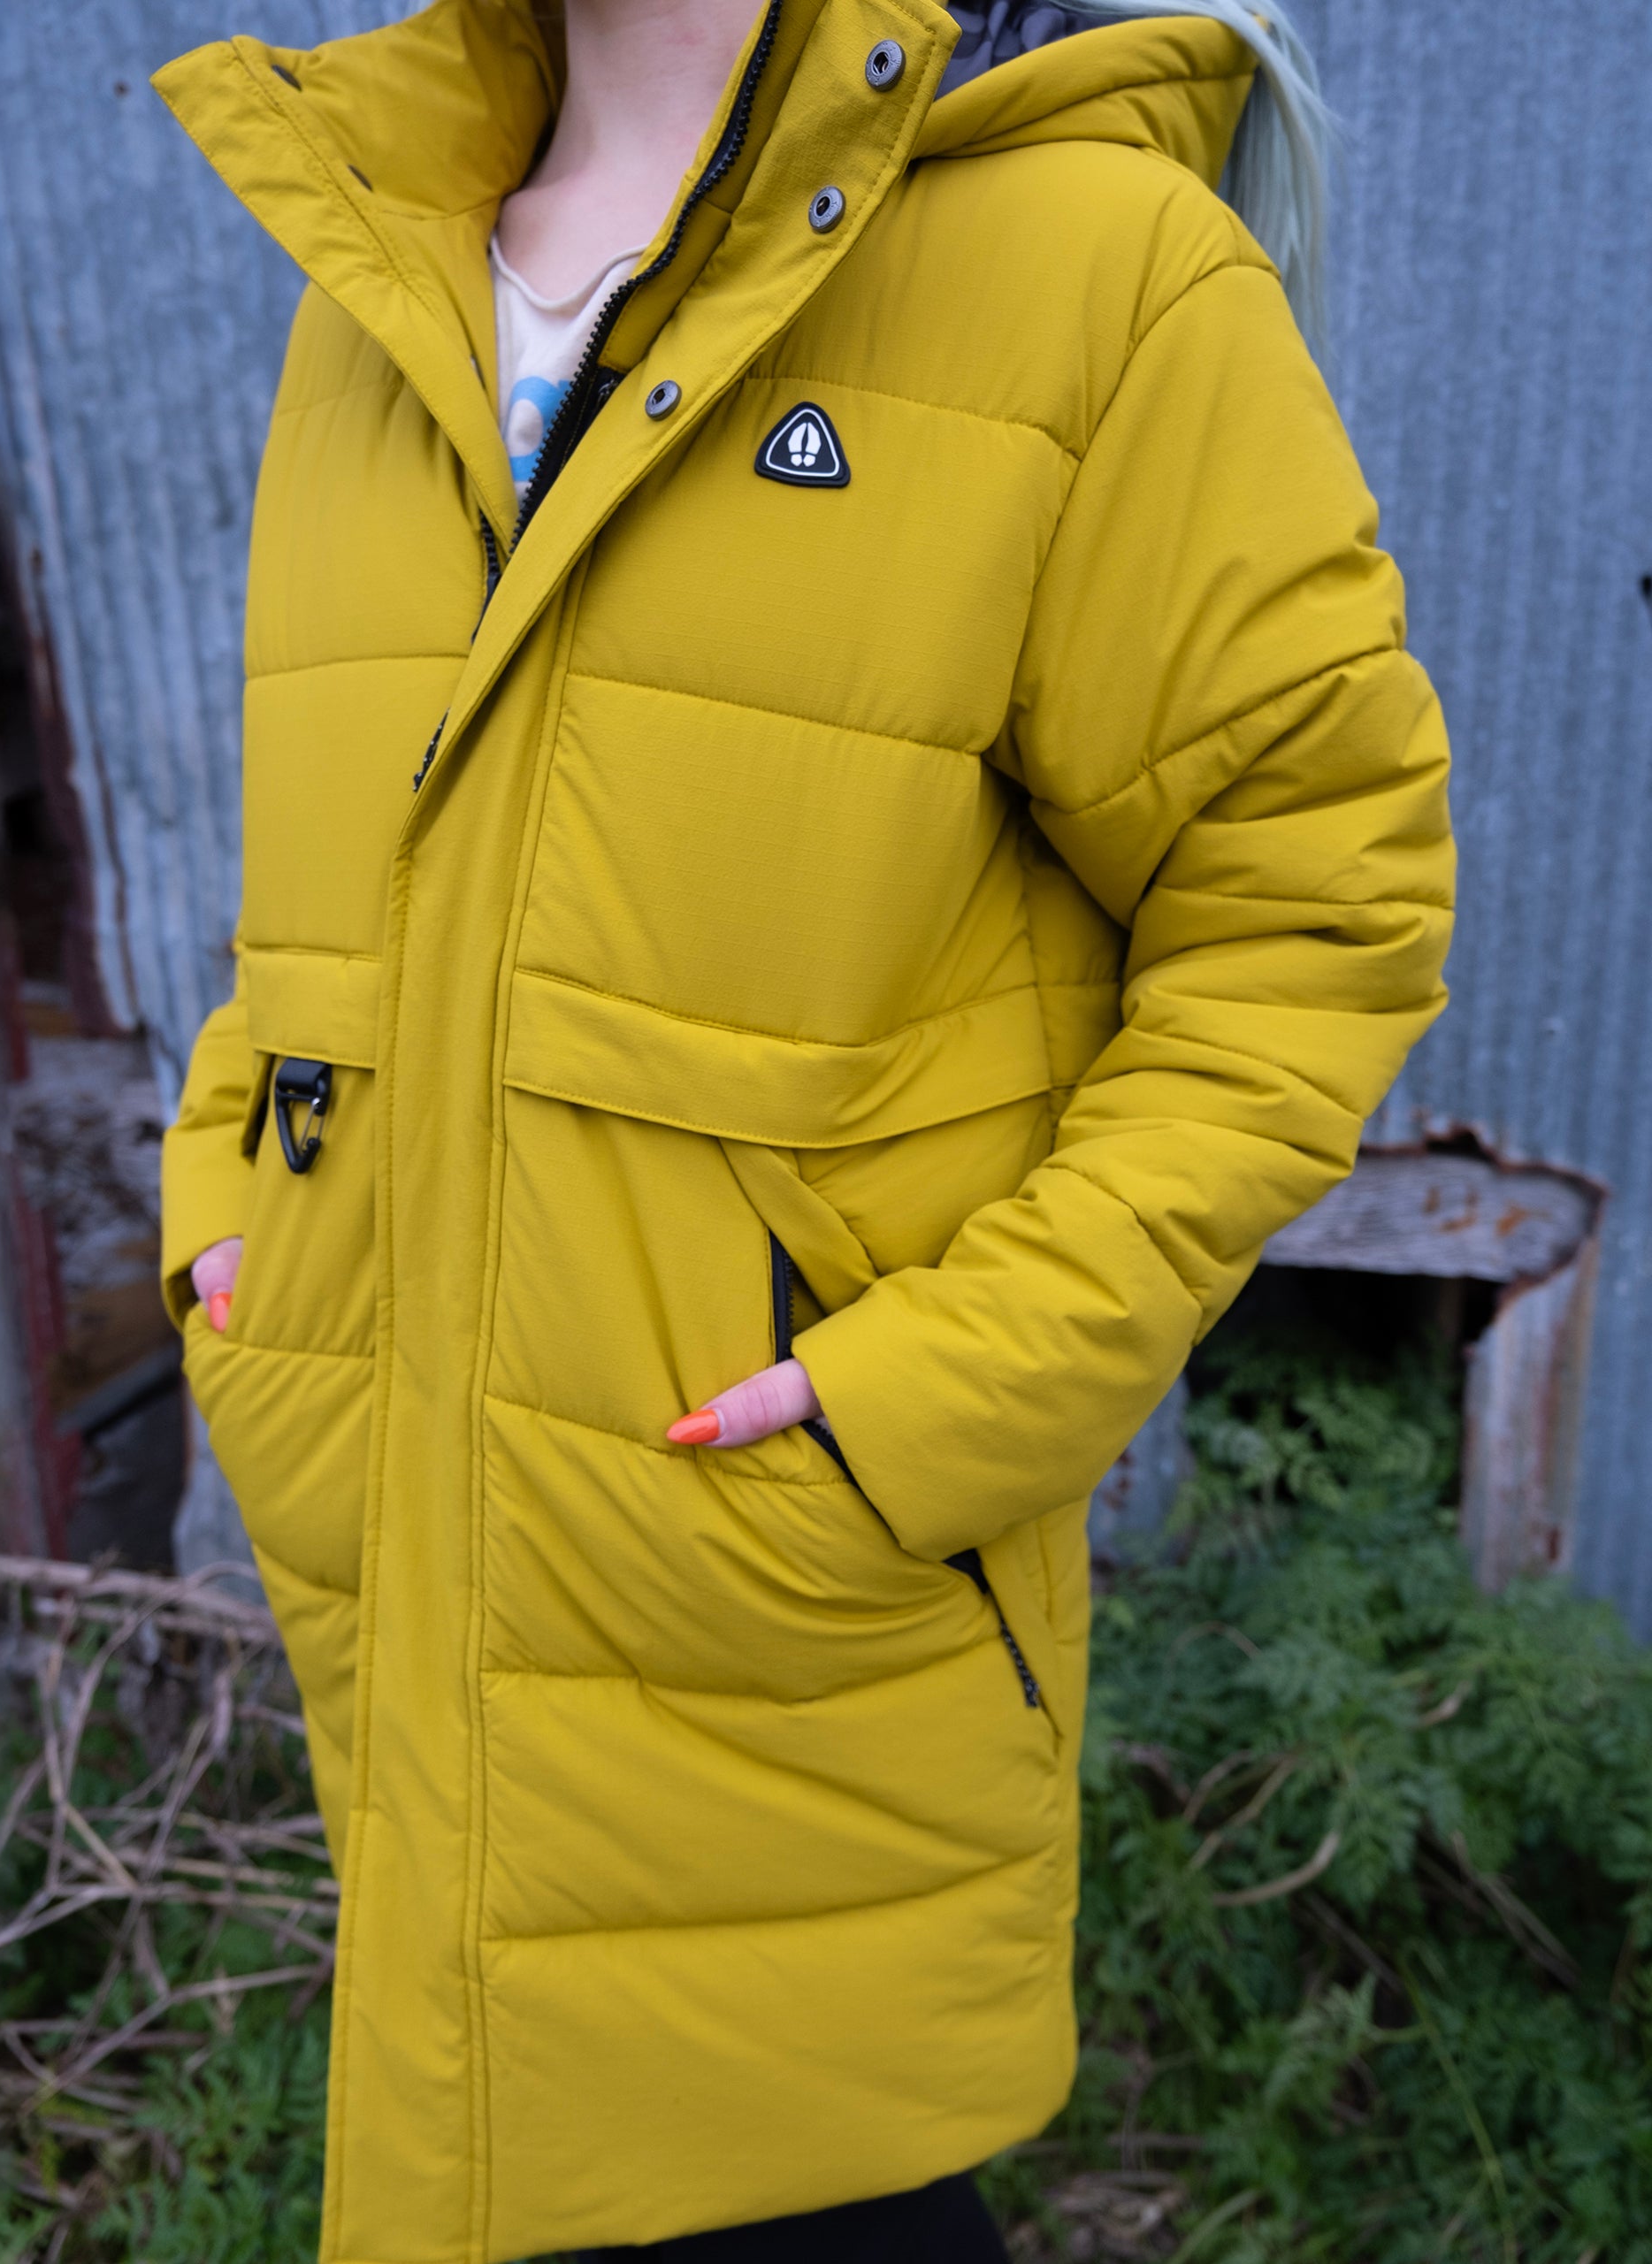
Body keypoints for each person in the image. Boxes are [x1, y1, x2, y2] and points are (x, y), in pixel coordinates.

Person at [155, 0, 1454, 2256]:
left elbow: (1309, 911)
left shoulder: (1091, 276)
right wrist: (230, 1234)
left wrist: (927, 1400)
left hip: (774, 1613)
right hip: (423, 1617)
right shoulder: (377, 264)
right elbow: (345, 910)